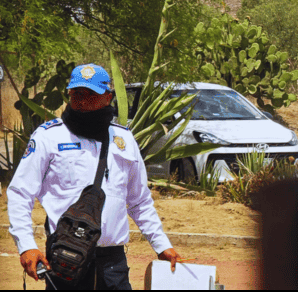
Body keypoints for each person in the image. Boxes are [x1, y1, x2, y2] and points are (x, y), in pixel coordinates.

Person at [7, 64, 181, 290]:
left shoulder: (124, 140)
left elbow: (139, 201)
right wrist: (26, 246)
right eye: (77, 93)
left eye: (90, 94)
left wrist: (162, 245)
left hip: (113, 266)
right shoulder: (48, 137)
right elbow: (20, 193)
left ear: (108, 97)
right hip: (66, 260)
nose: (82, 100)